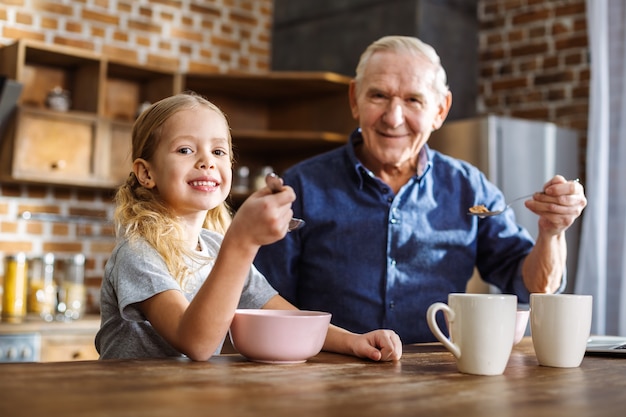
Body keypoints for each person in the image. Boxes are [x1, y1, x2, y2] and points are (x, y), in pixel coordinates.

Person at [253, 35, 588, 344]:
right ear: (355, 99)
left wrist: (551, 233)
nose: (394, 117)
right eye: (379, 96)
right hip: (325, 376)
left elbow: (533, 288)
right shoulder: (301, 187)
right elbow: (264, 302)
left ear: (439, 110)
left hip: (440, 377)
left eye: (413, 100)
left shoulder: (469, 187)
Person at [95, 92, 402, 361]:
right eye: (185, 150)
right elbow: (196, 344)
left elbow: (282, 315)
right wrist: (242, 241)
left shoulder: (216, 248)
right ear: (146, 173)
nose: (207, 161)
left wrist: (354, 341)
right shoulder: (137, 253)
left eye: (218, 151)